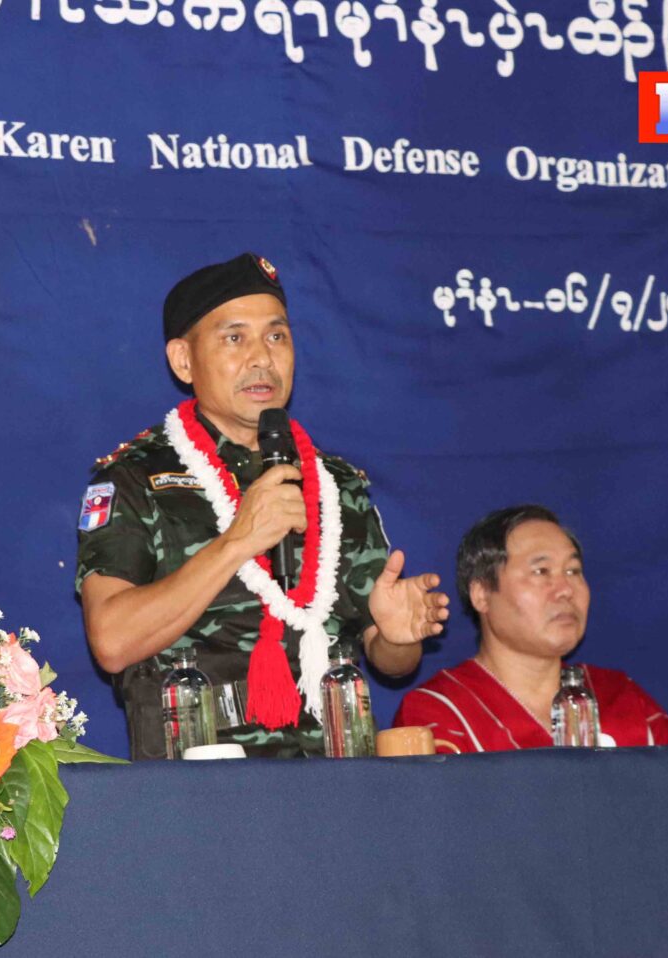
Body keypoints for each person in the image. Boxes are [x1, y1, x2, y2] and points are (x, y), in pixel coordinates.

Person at [76, 252, 448, 759]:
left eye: (276, 336)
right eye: (235, 338)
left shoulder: (335, 483)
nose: (262, 359)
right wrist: (237, 541)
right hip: (199, 783)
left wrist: (399, 638)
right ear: (183, 360)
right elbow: (112, 641)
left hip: (338, 779)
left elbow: (389, 660)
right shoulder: (135, 478)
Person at [392, 504, 668, 752]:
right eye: (541, 571)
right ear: (481, 594)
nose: (566, 590)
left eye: (573, 571)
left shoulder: (622, 697)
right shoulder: (438, 714)